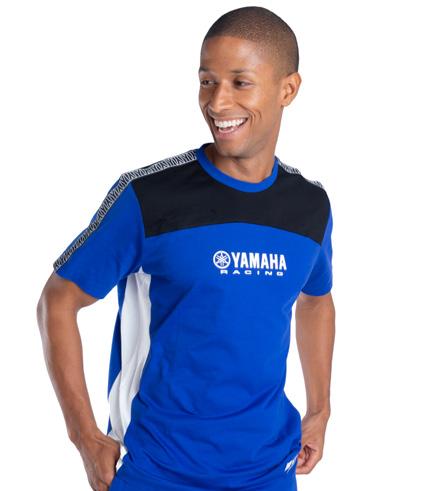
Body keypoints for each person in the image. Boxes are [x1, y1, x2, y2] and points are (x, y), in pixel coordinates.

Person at [37, 6, 336, 491]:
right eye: (206, 81)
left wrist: (320, 409)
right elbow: (58, 299)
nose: (217, 102)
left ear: (288, 89)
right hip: (155, 469)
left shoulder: (309, 206)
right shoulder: (148, 197)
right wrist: (85, 437)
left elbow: (317, 300)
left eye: (240, 83)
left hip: (268, 470)